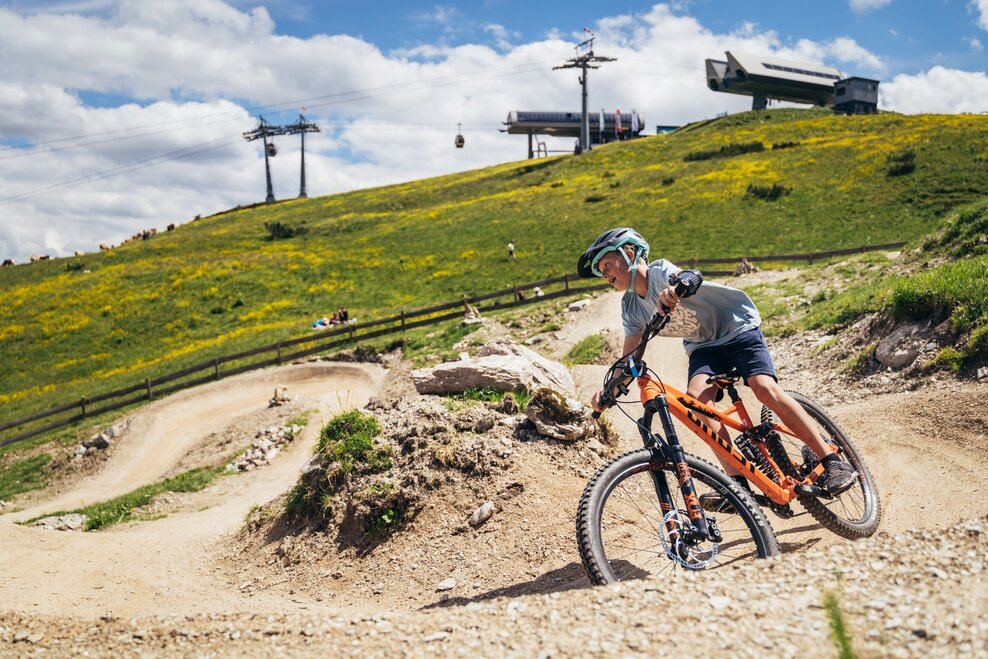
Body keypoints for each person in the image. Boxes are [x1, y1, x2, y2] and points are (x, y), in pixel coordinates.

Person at [577, 227, 858, 500]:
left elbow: (688, 277)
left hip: (737, 328)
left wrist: (676, 288)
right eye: (600, 272)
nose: (604, 275)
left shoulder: (660, 271)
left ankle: (831, 460)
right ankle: (736, 486)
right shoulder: (630, 307)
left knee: (763, 388)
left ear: (629, 253)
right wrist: (609, 391)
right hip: (704, 346)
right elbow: (630, 357)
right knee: (696, 403)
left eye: (607, 264)